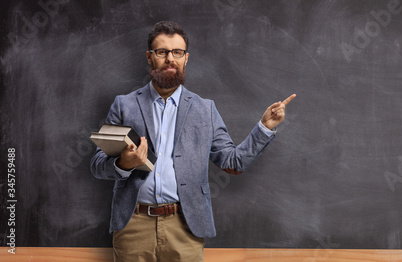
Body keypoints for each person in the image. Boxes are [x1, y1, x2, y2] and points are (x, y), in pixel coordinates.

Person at [90, 21, 295, 262]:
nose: (170, 59)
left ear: (186, 58)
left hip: (185, 226)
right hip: (133, 226)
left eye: (177, 52)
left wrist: (264, 128)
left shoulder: (204, 109)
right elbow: (97, 165)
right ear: (149, 57)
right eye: (162, 52)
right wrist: (124, 163)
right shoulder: (124, 105)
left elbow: (233, 162)